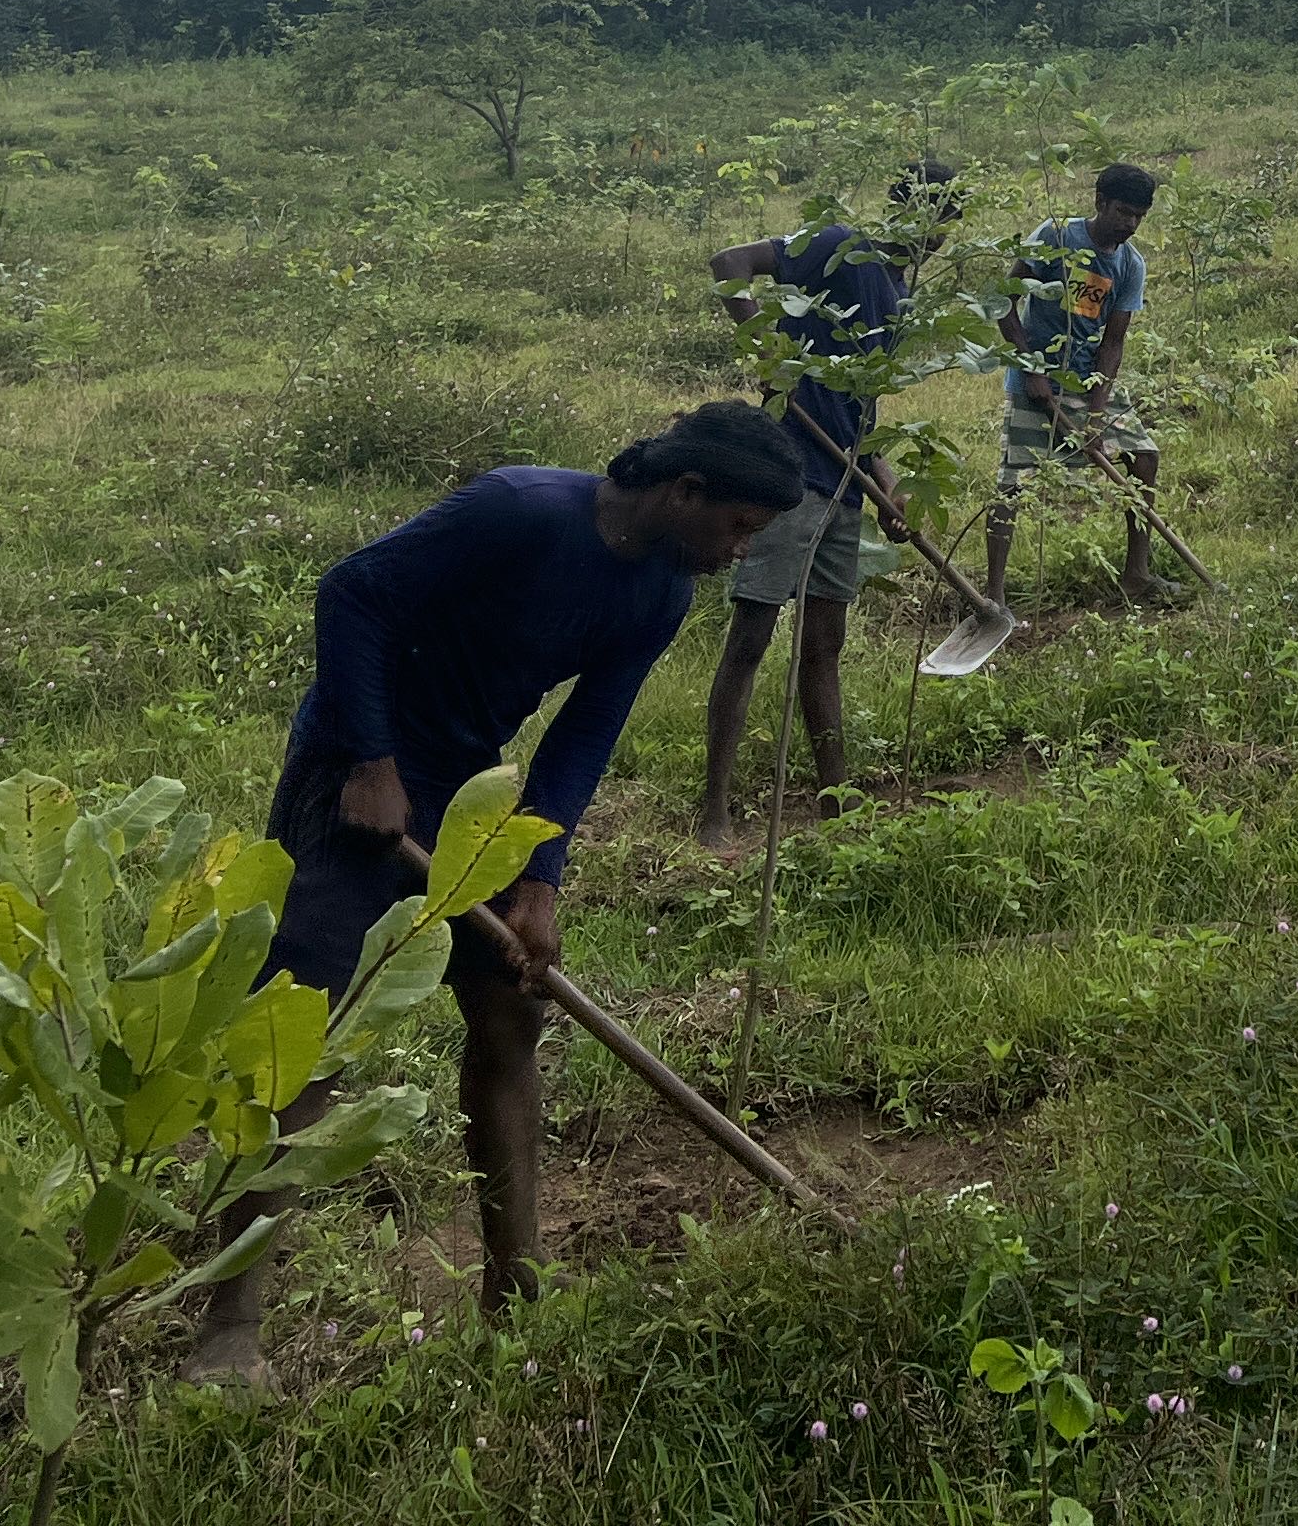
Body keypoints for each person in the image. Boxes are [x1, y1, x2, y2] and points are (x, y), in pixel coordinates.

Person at [183, 404, 803, 1385]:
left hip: (468, 788)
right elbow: (351, 596)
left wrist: (540, 880)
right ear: (686, 492)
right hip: (351, 775)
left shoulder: (658, 595)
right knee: (303, 1036)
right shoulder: (519, 509)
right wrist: (371, 761)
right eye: (736, 527)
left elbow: (582, 736)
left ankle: (515, 1291)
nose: (739, 553)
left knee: (514, 1010)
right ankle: (231, 1324)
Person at [695, 159, 961, 848]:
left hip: (844, 483)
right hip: (787, 476)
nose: (933, 236)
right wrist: (766, 353)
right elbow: (729, 263)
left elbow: (861, 410)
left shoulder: (901, 295)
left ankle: (836, 804)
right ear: (903, 209)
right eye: (927, 217)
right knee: (751, 638)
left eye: (944, 224)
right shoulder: (839, 245)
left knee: (824, 647)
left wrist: (887, 485)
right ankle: (714, 812)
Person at [987, 160, 1167, 609]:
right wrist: (1031, 369)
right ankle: (993, 596)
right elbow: (1003, 302)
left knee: (1145, 457)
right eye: (1123, 212)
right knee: (1012, 483)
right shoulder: (1056, 236)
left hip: (1088, 379)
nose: (1130, 225)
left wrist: (1097, 415)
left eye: (1139, 216)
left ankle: (1137, 574)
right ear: (1100, 202)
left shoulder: (1131, 265)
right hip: (1035, 379)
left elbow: (1113, 342)